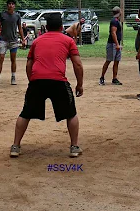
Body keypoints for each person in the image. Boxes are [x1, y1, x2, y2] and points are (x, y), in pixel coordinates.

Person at [9, 13, 84, 158]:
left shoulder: (37, 41)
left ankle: (15, 146)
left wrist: (32, 81)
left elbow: (29, 63)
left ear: (46, 27)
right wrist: (79, 84)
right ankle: (74, 147)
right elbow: (77, 64)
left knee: (25, 113)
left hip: (37, 80)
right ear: (62, 27)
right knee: (71, 113)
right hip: (58, 81)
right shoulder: (68, 40)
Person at [0, 0, 24, 86]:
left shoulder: (17, 16)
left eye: (12, 4)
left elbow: (20, 28)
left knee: (13, 59)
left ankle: (13, 77)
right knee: (1, 58)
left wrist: (23, 39)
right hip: (3, 40)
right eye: (9, 4)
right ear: (7, 5)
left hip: (13, 40)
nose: (11, 5)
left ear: (14, 6)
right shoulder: (2, 15)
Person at [100, 6, 123, 86]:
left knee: (117, 61)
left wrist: (119, 44)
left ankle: (114, 78)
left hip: (117, 44)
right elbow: (113, 33)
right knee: (109, 60)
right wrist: (117, 44)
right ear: (119, 12)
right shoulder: (114, 21)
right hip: (112, 44)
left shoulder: (117, 20)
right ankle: (102, 78)